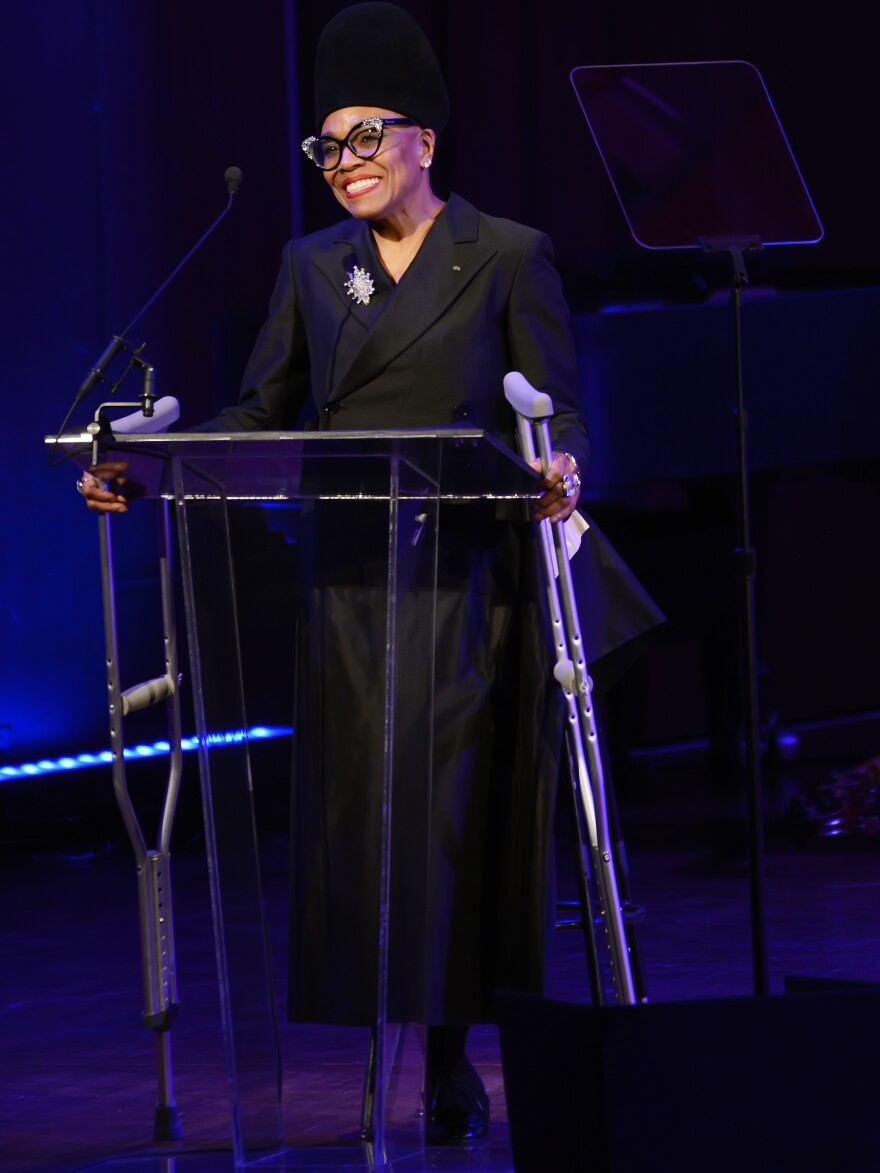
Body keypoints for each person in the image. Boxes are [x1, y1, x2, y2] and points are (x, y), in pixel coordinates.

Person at [80, 1, 663, 1145]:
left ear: (424, 142)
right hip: (351, 588)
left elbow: (560, 404)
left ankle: (452, 1052)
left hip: (466, 588)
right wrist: (145, 471)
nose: (342, 163)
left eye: (364, 137)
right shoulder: (315, 268)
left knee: (451, 818)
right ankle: (381, 1035)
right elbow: (258, 419)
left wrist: (564, 466)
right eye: (326, 144)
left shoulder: (503, 255)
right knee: (366, 824)